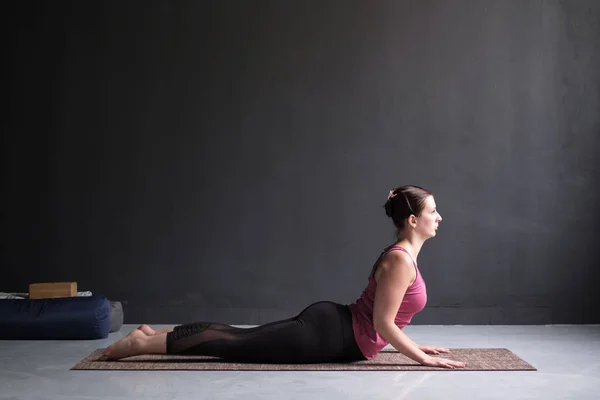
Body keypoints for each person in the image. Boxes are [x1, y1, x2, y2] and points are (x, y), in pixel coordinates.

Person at [100, 185, 467, 369]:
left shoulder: (405, 259)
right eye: (433, 211)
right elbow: (383, 323)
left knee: (237, 337)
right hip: (330, 333)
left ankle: (152, 335)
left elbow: (386, 319)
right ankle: (140, 346)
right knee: (234, 344)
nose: (439, 217)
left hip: (335, 327)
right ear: (414, 221)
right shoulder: (401, 261)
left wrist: (416, 345)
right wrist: (422, 358)